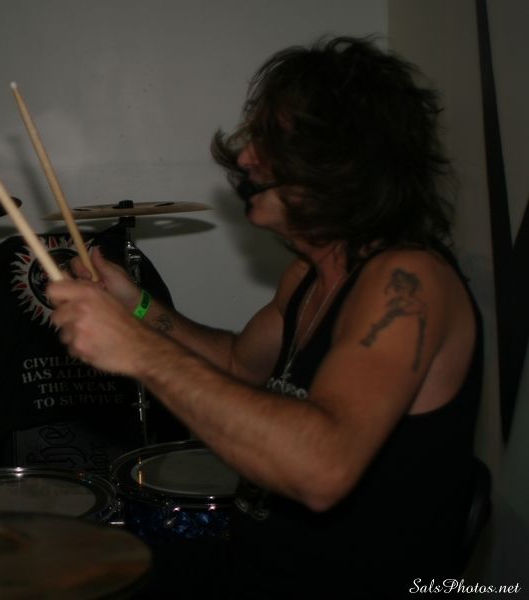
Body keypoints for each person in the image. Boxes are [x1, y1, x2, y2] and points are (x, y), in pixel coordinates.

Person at [46, 36, 482, 598]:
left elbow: (322, 469)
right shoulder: (308, 276)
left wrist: (138, 350)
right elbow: (238, 365)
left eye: (269, 139)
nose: (246, 157)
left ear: (342, 158)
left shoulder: (409, 280)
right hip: (258, 565)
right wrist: (137, 307)